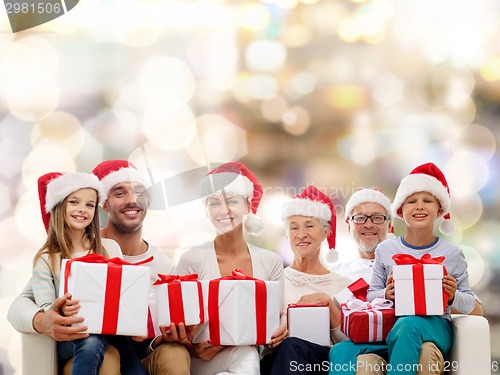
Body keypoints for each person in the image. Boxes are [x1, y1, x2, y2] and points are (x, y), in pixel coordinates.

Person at [8, 160, 190, 375]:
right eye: (119, 193)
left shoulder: (164, 267)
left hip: (132, 350)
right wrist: (42, 319)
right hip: (85, 346)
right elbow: (21, 304)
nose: (131, 200)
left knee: (173, 353)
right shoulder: (55, 258)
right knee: (106, 355)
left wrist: (155, 338)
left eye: (138, 192)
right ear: (104, 204)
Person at [329, 163, 476, 375]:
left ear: (440, 209)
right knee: (342, 350)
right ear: (400, 210)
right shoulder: (386, 250)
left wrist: (452, 297)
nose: (419, 206)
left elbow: (470, 302)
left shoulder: (452, 253)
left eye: (427, 201)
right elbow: (372, 294)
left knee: (408, 325)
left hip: (436, 326)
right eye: (411, 201)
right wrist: (386, 294)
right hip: (392, 326)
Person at [175, 161, 285, 375]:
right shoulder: (192, 259)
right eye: (214, 203)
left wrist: (282, 330)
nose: (223, 210)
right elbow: (174, 321)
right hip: (202, 360)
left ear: (247, 206)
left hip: (253, 358)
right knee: (245, 356)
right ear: (206, 211)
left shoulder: (271, 261)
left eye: (232, 201)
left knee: (246, 355)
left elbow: (278, 319)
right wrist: (193, 349)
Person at [32, 171, 143, 375]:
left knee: (132, 363)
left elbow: (124, 293)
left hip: (111, 332)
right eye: (74, 202)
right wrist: (60, 309)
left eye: (90, 205)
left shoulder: (110, 248)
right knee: (91, 339)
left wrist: (134, 320)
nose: (82, 210)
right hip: (71, 335)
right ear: (59, 206)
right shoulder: (46, 259)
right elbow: (46, 309)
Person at [331, 187, 444, 375]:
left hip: (412, 340)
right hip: (362, 347)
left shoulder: (414, 260)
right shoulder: (335, 272)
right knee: (360, 364)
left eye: (377, 217)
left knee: (423, 353)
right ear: (348, 225)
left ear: (390, 225)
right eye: (360, 218)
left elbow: (466, 306)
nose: (368, 225)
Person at [260, 185, 353, 375]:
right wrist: (271, 336)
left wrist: (328, 304)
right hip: (276, 361)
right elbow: (259, 338)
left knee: (293, 346)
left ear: (325, 232)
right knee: (288, 347)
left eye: (309, 226)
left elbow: (348, 343)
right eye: (294, 228)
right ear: (287, 234)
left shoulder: (343, 284)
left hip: (322, 364)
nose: (301, 234)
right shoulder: (273, 280)